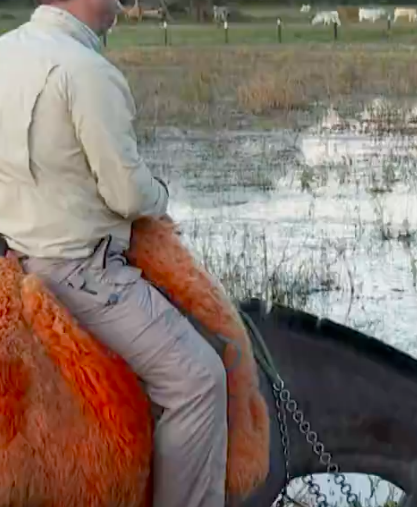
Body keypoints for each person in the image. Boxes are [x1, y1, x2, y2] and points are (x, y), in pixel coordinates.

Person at [0, 1, 228, 506]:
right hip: (81, 275)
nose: (123, 4)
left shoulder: (4, 51)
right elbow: (127, 194)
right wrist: (160, 195)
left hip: (12, 264)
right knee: (200, 379)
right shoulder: (88, 71)